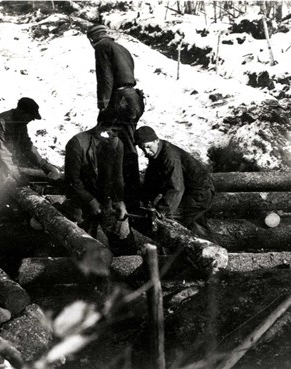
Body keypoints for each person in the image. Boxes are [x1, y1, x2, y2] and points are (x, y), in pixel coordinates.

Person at [0, 97, 62, 235]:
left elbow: (27, 146)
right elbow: (4, 152)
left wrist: (44, 165)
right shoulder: (3, 122)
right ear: (22, 112)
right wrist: (17, 175)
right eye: (31, 117)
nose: (32, 120)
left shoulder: (20, 123)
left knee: (3, 189)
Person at [87, 24, 145, 211]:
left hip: (120, 101)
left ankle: (116, 193)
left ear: (92, 39)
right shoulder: (122, 48)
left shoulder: (102, 48)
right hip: (134, 99)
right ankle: (129, 193)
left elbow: (105, 78)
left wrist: (102, 104)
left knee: (105, 139)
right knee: (126, 143)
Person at [64, 119, 133, 254]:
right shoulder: (77, 143)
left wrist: (119, 200)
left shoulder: (117, 143)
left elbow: (117, 175)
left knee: (121, 232)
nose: (115, 135)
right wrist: (90, 201)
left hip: (105, 195)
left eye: (118, 132)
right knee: (83, 238)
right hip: (81, 196)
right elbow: (73, 180)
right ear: (100, 125)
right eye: (112, 131)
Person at [135, 126, 215, 238]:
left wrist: (161, 211)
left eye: (148, 147)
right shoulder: (157, 152)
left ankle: (205, 251)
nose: (146, 151)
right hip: (189, 191)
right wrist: (145, 199)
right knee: (196, 226)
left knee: (169, 219)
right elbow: (152, 180)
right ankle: (207, 250)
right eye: (142, 148)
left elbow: (176, 188)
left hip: (200, 193)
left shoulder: (170, 157)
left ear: (156, 140)